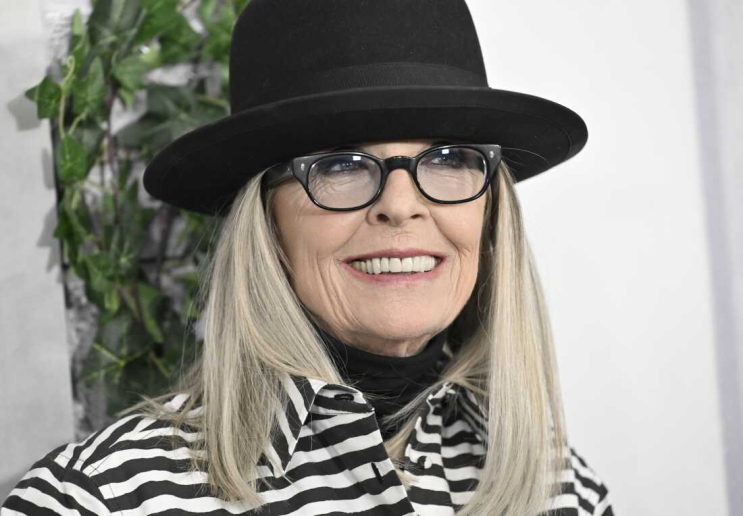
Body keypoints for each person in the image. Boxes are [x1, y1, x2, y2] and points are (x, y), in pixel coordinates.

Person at [1, 0, 616, 514]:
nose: (401, 205)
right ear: (266, 222)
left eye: (450, 159)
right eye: (341, 165)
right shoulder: (97, 500)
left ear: (491, 213)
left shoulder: (563, 489)